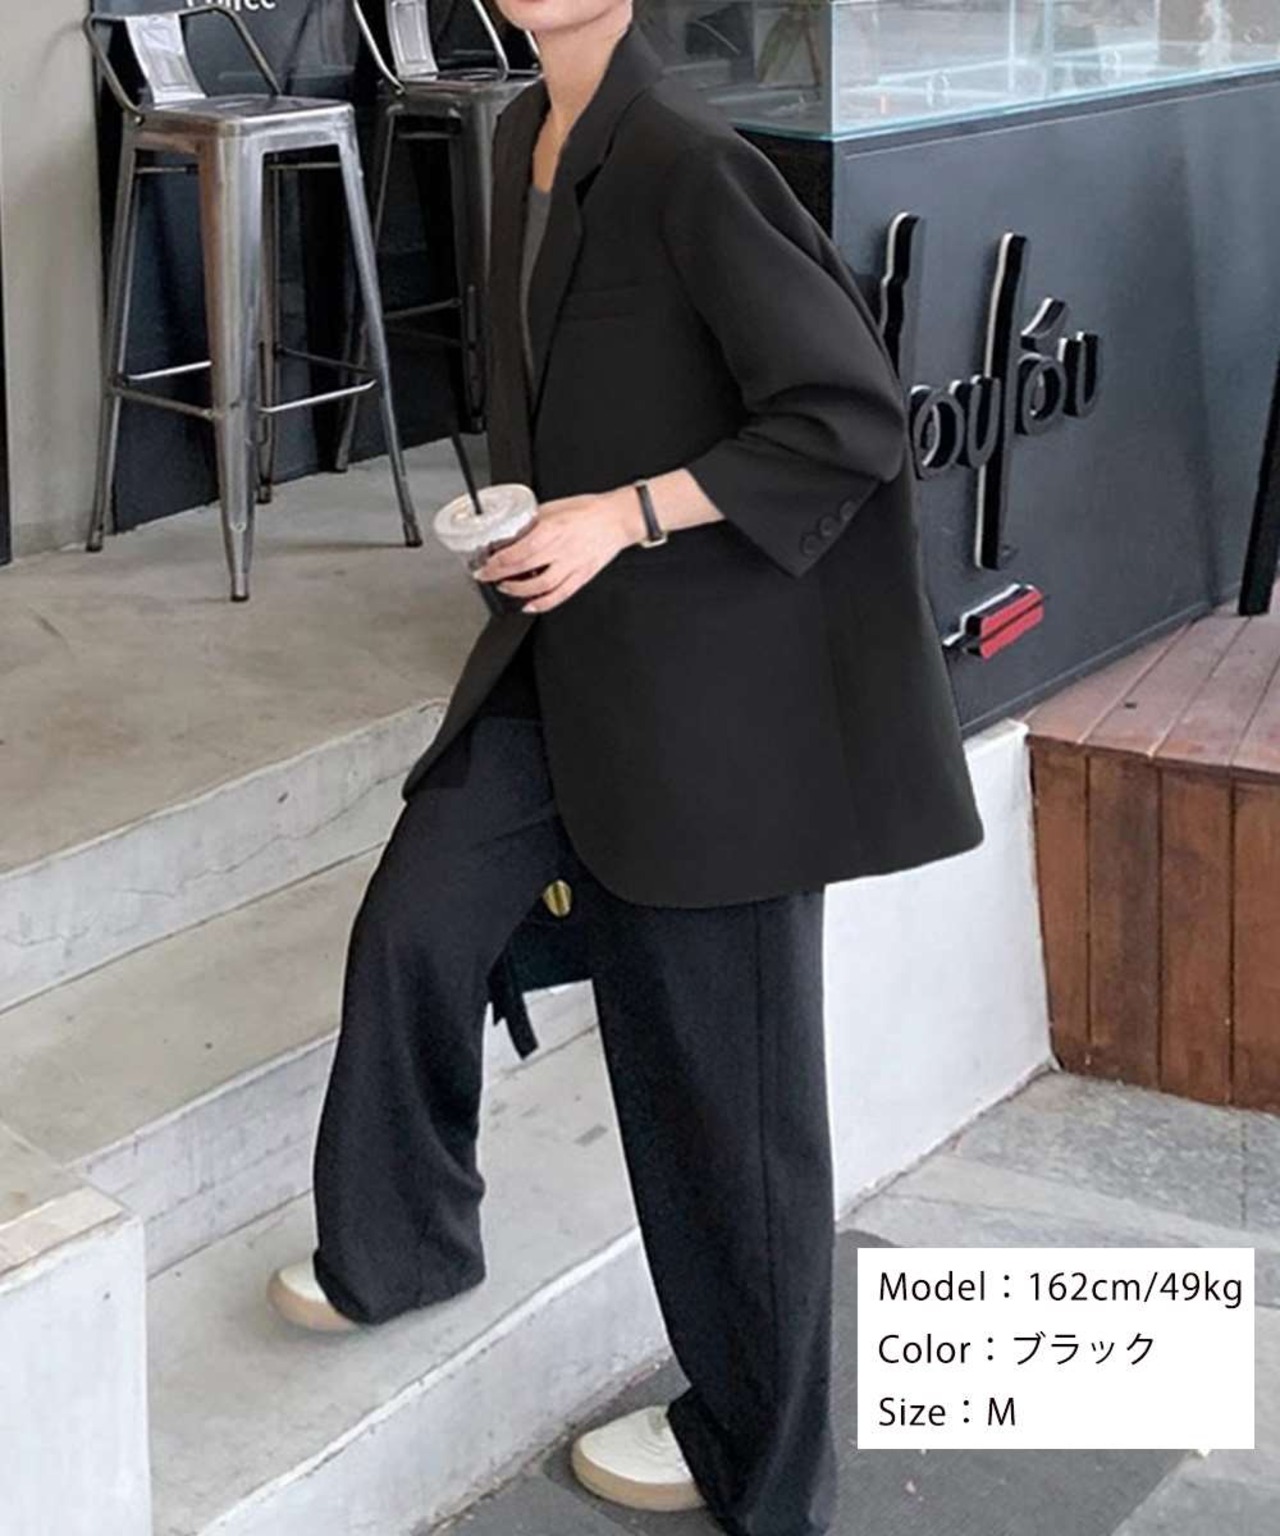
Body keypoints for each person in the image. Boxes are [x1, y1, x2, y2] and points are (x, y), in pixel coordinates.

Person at [267, 4, 985, 1533]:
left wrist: (625, 515)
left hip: (714, 708)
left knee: (729, 1107)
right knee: (418, 925)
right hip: (568, 662)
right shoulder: (526, 138)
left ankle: (763, 1465)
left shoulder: (689, 160)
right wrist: (537, 521)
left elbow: (849, 416)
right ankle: (406, 1244)